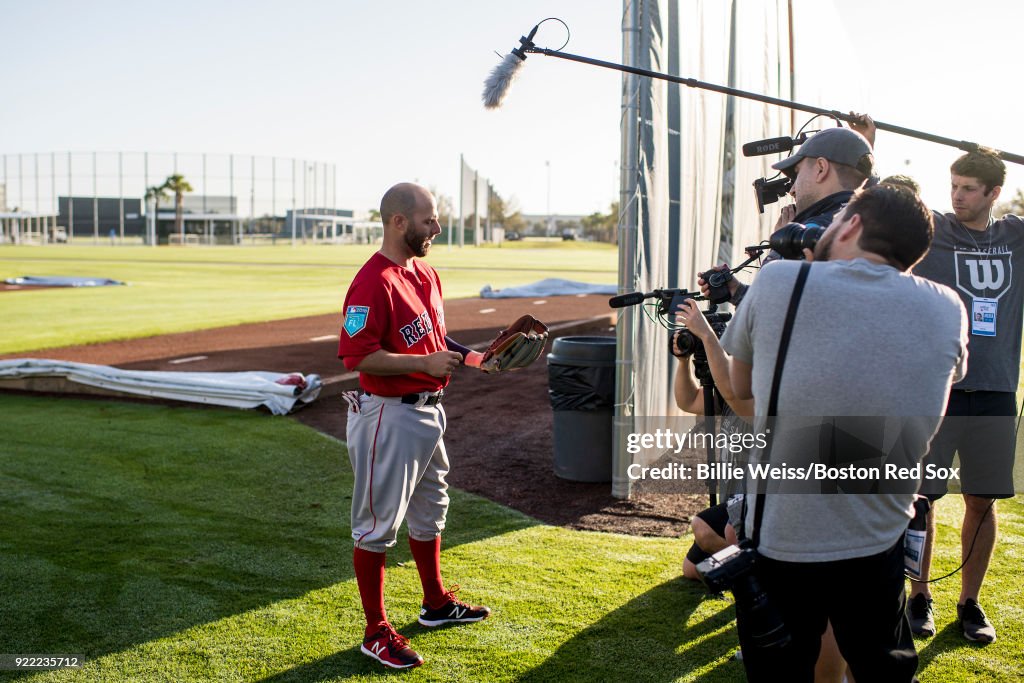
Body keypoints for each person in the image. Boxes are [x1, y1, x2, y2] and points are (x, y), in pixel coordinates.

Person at [720, 184, 968, 681]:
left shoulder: (780, 282)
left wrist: (807, 271)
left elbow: (741, 386)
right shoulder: (947, 307)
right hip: (880, 536)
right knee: (882, 669)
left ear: (851, 225)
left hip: (783, 539)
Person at [337, 182, 492, 669]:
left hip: (427, 411)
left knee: (432, 509)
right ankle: (375, 631)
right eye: (429, 220)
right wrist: (425, 364)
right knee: (377, 525)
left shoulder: (424, 272)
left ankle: (435, 604)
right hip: (387, 413)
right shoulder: (371, 282)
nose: (437, 228)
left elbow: (435, 335)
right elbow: (356, 357)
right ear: (398, 222)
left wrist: (473, 358)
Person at [906, 147, 1024, 643]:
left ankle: (969, 603)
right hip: (940, 390)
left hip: (996, 390)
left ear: (994, 193)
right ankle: (918, 597)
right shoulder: (933, 229)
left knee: (982, 501)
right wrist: (862, 142)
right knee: (923, 500)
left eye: (968, 188)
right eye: (953, 185)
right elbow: (877, 207)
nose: (957, 196)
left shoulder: (1016, 235)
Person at [700, 126, 874, 303]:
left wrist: (781, 246)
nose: (792, 189)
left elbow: (764, 313)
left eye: (797, 174)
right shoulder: (870, 227)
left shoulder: (811, 234)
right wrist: (736, 291)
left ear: (821, 169)